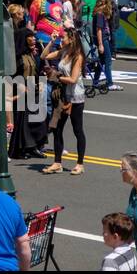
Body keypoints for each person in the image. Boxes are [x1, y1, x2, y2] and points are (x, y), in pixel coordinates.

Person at [42, 28, 87, 175]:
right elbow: (44, 56)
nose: (62, 39)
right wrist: (52, 41)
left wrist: (55, 76)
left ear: (72, 39)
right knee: (57, 129)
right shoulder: (63, 51)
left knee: (77, 129)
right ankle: (57, 162)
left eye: (63, 37)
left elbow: (73, 80)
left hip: (75, 97)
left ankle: (80, 164)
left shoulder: (77, 56)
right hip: (62, 96)